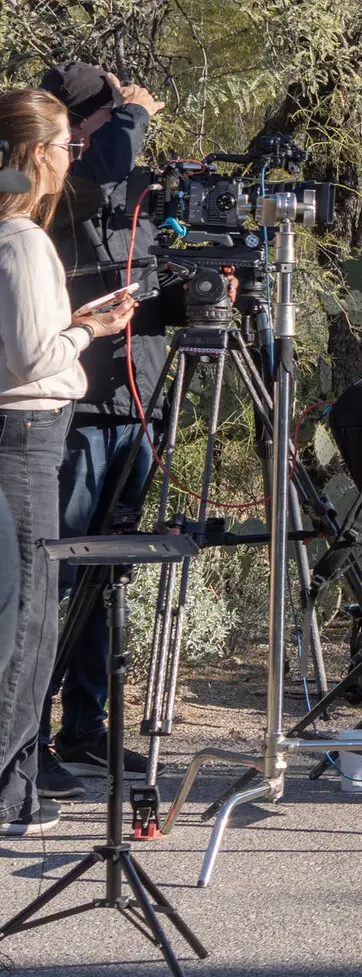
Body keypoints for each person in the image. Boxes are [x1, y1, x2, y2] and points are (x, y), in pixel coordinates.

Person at [0, 88, 136, 836]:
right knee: (28, 620)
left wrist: (75, 324)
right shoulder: (21, 240)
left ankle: (15, 783)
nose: (70, 161)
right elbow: (32, 358)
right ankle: (7, 790)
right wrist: (89, 332)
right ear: (37, 154)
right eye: (68, 149)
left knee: (19, 612)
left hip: (20, 432)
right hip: (26, 435)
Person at [35, 64, 166, 798]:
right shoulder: (43, 184)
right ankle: (25, 738)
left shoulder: (133, 181)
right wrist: (132, 115)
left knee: (107, 576)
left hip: (137, 404)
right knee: (53, 574)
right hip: (76, 408)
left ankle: (84, 727)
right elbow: (98, 170)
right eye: (107, 115)